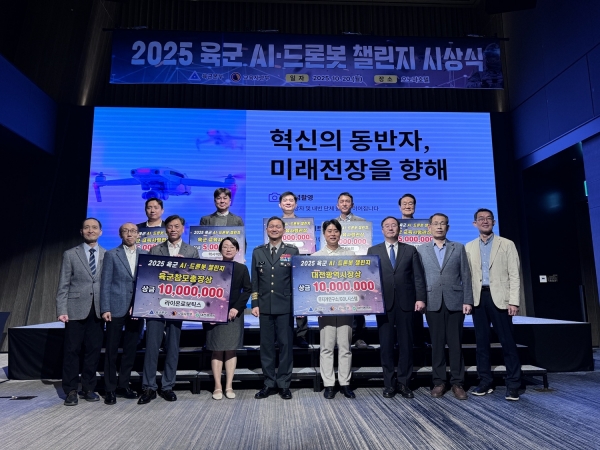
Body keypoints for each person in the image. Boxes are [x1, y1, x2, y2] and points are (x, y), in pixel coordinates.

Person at [138, 215, 200, 404]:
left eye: (176, 226)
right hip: (156, 303)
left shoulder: (191, 251)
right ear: (165, 229)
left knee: (173, 346)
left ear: (183, 228)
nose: (173, 229)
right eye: (170, 226)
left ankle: (167, 386)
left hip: (177, 304)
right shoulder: (155, 249)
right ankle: (148, 387)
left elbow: (198, 278)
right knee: (152, 346)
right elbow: (148, 275)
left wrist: (184, 268)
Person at [465, 208, 522, 401]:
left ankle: (513, 384)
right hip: (479, 298)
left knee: (508, 342)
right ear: (475, 224)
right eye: (481, 219)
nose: (485, 221)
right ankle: (485, 381)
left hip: (501, 299)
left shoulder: (506, 244)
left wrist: (514, 301)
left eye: (488, 218)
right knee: (481, 343)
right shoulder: (469, 247)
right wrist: (467, 300)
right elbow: (467, 277)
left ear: (494, 222)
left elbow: (514, 274)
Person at [367, 216, 426, 399]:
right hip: (383, 303)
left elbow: (418, 276)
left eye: (394, 225)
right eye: (387, 226)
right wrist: (369, 301)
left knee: (406, 344)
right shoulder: (373, 250)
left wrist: (420, 298)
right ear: (382, 230)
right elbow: (369, 278)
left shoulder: (410, 250)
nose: (391, 228)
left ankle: (404, 383)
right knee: (386, 345)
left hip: (406, 302)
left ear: (399, 229)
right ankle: (389, 384)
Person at [417, 214, 473, 400]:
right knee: (437, 344)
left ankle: (458, 383)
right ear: (429, 227)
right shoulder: (421, 250)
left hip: (455, 301)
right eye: (436, 224)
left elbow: (466, 275)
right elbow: (419, 278)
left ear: (447, 227)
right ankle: (439, 382)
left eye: (442, 224)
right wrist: (420, 299)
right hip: (432, 301)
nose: (439, 227)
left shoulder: (458, 247)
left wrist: (467, 300)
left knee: (456, 344)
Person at [56, 218, 106, 406]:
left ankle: (88, 388)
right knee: (72, 350)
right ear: (81, 231)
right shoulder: (70, 254)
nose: (90, 230)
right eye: (87, 227)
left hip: (98, 310)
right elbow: (63, 284)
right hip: (75, 308)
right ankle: (70, 390)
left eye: (94, 227)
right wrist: (61, 309)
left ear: (100, 232)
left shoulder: (107, 255)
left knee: (93, 351)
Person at [251, 217, 300, 400]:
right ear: (266, 229)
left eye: (278, 226)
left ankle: (284, 384)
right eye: (271, 226)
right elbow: (255, 280)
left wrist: (298, 306)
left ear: (283, 230)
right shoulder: (258, 252)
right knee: (266, 347)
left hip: (285, 305)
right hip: (264, 306)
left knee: (286, 346)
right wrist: (255, 303)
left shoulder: (292, 251)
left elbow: (296, 279)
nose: (274, 229)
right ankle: (269, 383)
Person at [100, 223, 148, 405]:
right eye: (126, 231)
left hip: (137, 309)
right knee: (111, 350)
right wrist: (105, 308)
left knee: (130, 349)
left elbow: (146, 282)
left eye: (133, 231)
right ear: (120, 234)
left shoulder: (145, 254)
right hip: (115, 308)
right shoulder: (112, 254)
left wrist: (140, 305)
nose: (130, 234)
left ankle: (123, 385)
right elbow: (105, 283)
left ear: (138, 234)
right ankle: (110, 389)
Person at [313, 219, 356, 399]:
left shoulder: (350, 255)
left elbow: (356, 280)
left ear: (340, 233)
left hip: (345, 307)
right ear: (323, 234)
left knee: (345, 346)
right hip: (325, 308)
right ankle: (329, 384)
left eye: (335, 231)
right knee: (327, 347)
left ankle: (345, 383)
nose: (332, 234)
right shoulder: (315, 257)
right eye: (329, 231)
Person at [204, 237, 251, 400]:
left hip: (233, 314)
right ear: (220, 250)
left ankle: (229, 386)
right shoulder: (212, 267)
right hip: (215, 313)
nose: (228, 249)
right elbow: (205, 290)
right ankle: (217, 386)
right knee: (216, 350)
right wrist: (209, 312)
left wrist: (236, 308)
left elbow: (247, 290)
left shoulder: (242, 268)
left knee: (231, 349)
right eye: (225, 246)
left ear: (237, 250)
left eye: (232, 247)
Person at [335, 192, 368, 349]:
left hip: (356, 268)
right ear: (337, 205)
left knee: (357, 303)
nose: (344, 204)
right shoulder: (332, 224)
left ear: (352, 205)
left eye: (347, 201)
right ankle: (339, 338)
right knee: (338, 304)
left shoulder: (362, 223)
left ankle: (358, 337)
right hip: (337, 269)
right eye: (342, 201)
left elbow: (365, 248)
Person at [278, 191, 309, 348]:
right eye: (285, 200)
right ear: (280, 204)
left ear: (296, 204)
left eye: (291, 200)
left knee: (301, 298)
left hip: (299, 265)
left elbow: (309, 245)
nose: (288, 202)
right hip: (279, 266)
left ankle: (301, 335)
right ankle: (282, 335)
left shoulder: (304, 225)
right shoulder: (275, 224)